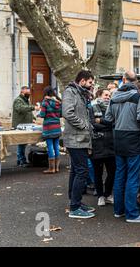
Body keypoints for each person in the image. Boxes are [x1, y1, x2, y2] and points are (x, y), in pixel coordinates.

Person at [105, 70, 140, 223]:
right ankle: (131, 214)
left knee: (120, 175)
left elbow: (108, 118)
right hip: (134, 139)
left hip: (118, 138)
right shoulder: (139, 97)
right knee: (132, 177)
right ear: (135, 81)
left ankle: (119, 210)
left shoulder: (114, 97)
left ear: (123, 80)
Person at [62, 70, 96, 219]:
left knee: (76, 170)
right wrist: (83, 125)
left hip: (80, 139)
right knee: (82, 171)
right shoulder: (70, 92)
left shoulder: (81, 93)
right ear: (82, 81)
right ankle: (74, 208)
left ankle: (74, 201)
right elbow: (67, 113)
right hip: (75, 139)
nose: (91, 86)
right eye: (90, 83)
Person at [89, 88, 116, 207]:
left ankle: (108, 194)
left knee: (112, 172)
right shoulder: (92, 107)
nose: (108, 97)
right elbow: (92, 124)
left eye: (109, 95)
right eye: (106, 95)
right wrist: (107, 124)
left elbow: (114, 123)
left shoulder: (112, 108)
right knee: (97, 173)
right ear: (99, 95)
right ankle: (100, 195)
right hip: (97, 145)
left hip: (111, 145)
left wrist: (101, 121)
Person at [12, 86, 40, 166]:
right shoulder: (18, 100)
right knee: (21, 143)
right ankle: (22, 161)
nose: (29, 94)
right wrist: (33, 107)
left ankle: (20, 160)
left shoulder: (26, 100)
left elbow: (28, 111)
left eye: (29, 93)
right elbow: (21, 109)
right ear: (22, 92)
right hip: (20, 125)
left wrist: (33, 118)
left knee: (23, 143)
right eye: (27, 93)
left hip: (26, 125)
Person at [38, 86, 62, 174]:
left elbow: (42, 114)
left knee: (50, 147)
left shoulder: (45, 102)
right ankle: (57, 167)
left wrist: (39, 113)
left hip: (48, 127)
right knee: (56, 146)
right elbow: (60, 115)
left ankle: (51, 168)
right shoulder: (58, 103)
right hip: (57, 126)